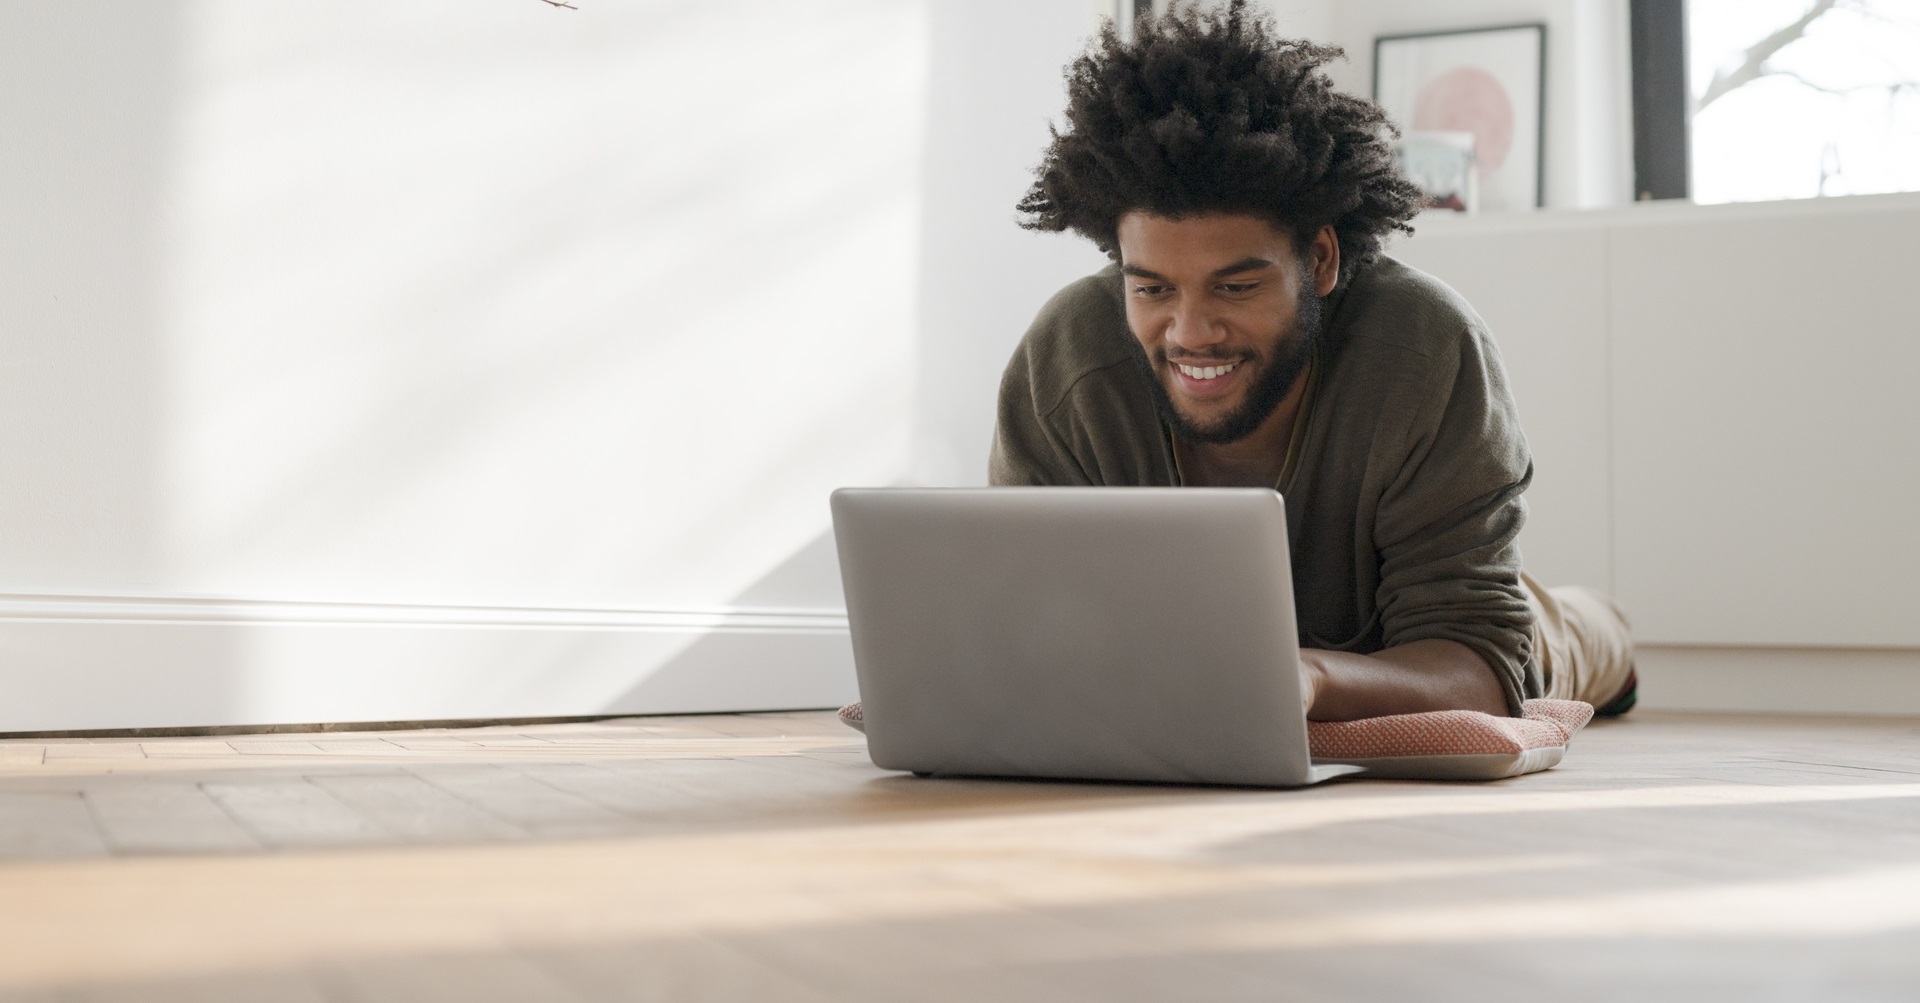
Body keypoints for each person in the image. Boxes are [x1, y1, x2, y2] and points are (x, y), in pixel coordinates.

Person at [990, 1, 1635, 721]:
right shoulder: (1068, 363)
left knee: (1555, 642)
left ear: (1321, 260)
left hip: (1405, 640)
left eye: (1237, 285)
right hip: (1209, 657)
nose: (1192, 331)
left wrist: (1308, 681)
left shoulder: (1425, 352)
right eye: (1152, 288)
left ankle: (1592, 621)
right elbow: (1027, 629)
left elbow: (1480, 668)